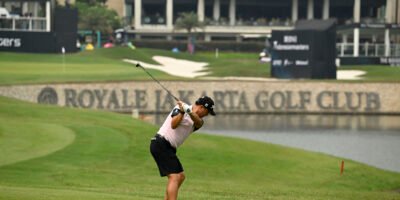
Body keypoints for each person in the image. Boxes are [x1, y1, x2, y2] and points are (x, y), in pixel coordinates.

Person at [150, 96, 216, 200]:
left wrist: (188, 111)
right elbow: (174, 124)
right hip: (160, 143)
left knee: (180, 177)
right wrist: (182, 111)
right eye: (207, 112)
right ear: (202, 107)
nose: (207, 115)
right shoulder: (178, 108)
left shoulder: (199, 121)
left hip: (169, 148)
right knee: (175, 177)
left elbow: (197, 122)